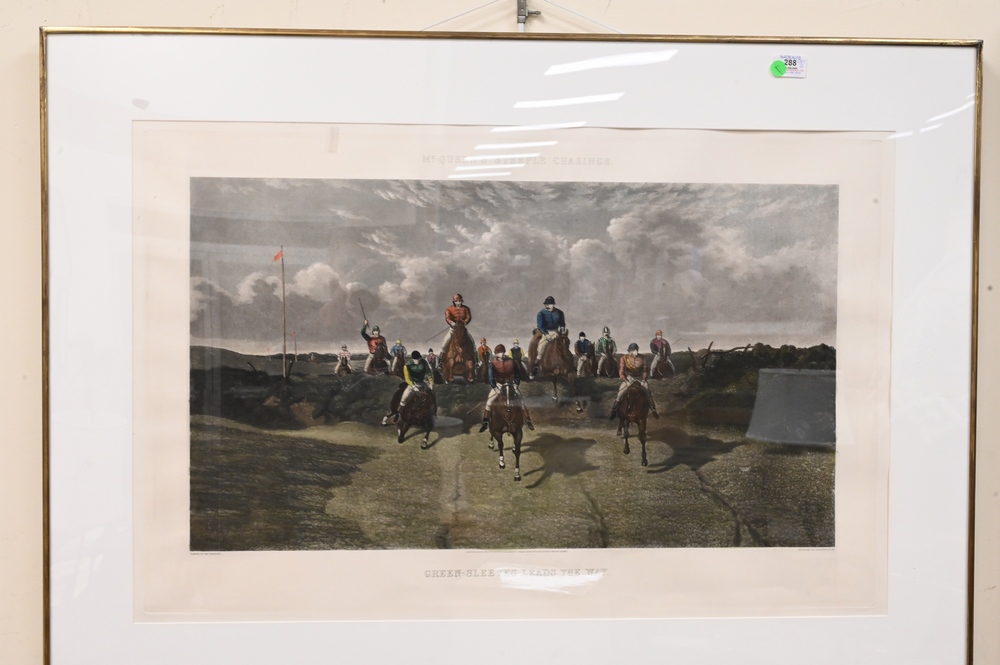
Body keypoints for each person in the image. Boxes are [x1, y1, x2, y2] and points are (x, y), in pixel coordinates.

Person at [480, 344, 534, 432]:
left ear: (504, 352)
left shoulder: (512, 362)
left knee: (521, 401)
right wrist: (495, 388)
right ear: (496, 354)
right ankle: (485, 422)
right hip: (499, 385)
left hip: (511, 385)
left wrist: (516, 384)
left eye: (501, 352)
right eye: (498, 353)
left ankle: (528, 421)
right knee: (489, 402)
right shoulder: (492, 364)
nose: (500, 354)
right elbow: (491, 378)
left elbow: (517, 375)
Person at [382, 350, 435, 426]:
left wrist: (431, 383)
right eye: (416, 359)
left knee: (431, 395)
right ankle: (398, 413)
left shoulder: (424, 363)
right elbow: (407, 378)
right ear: (412, 359)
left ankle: (432, 413)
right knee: (404, 398)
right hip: (412, 385)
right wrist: (413, 386)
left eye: (418, 359)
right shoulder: (407, 365)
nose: (417, 361)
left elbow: (429, 373)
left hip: (422, 383)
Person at [609, 342, 659, 420]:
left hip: (640, 379)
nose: (635, 351)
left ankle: (653, 409)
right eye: (632, 350)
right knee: (620, 394)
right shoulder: (624, 358)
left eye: (635, 350)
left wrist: (643, 380)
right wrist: (625, 380)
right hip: (629, 379)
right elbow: (621, 372)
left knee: (647, 392)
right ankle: (614, 410)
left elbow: (645, 370)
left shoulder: (643, 358)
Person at [534, 295, 567, 371]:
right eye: (546, 304)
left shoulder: (560, 313)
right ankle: (537, 363)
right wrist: (546, 334)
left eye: (549, 304)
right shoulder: (541, 313)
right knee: (541, 347)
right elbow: (540, 326)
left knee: (564, 345)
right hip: (545, 332)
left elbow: (562, 324)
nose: (547, 306)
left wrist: (562, 329)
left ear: (553, 304)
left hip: (556, 332)